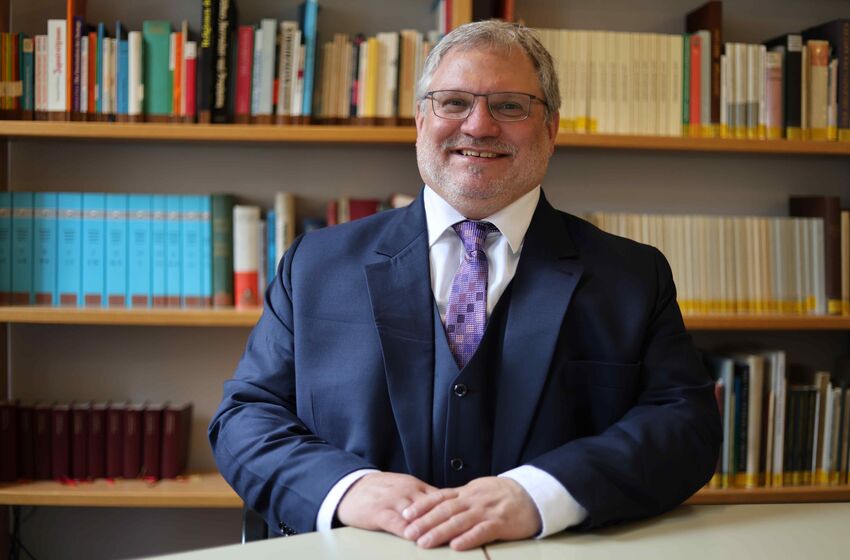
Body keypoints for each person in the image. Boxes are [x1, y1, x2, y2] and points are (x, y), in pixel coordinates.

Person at [209, 20, 721, 551]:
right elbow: (246, 417)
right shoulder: (315, 265)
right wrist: (348, 488)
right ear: (420, 121)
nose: (478, 126)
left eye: (510, 106)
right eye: (453, 102)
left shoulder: (632, 276)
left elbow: (686, 427)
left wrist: (541, 494)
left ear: (551, 129)